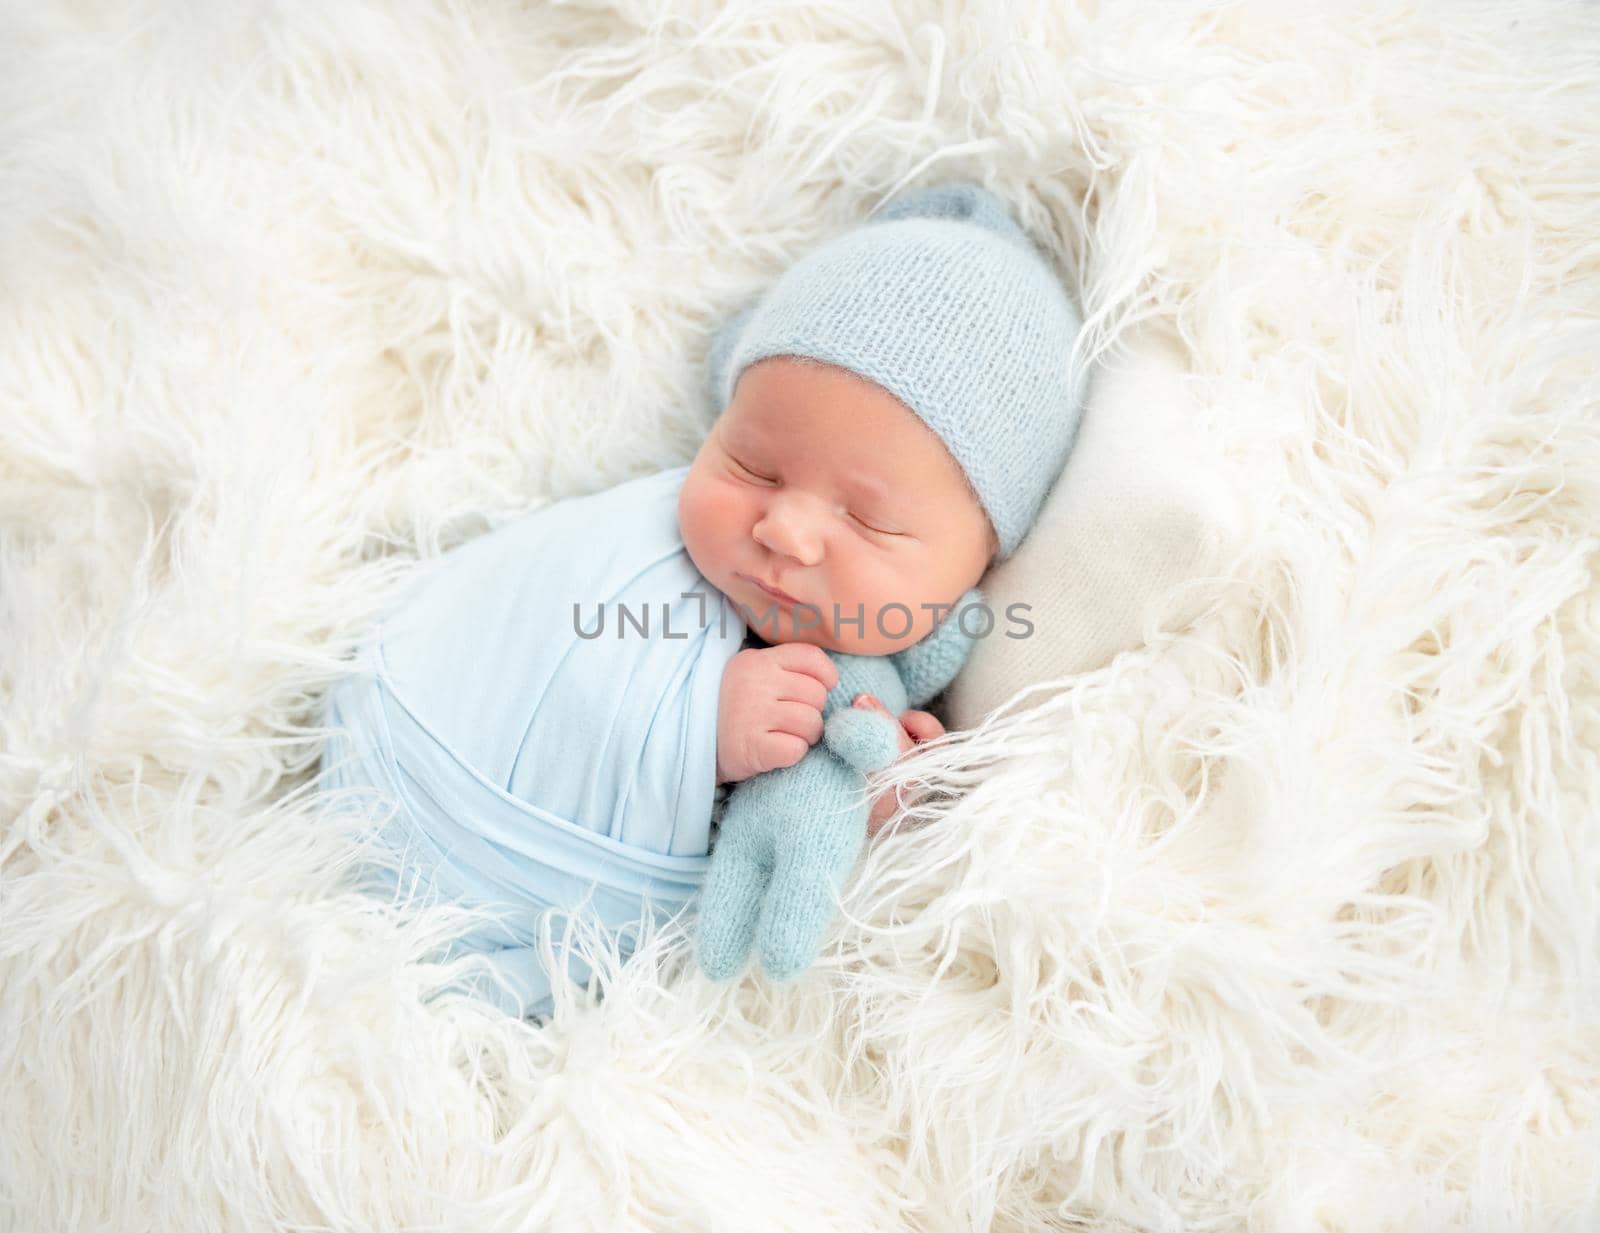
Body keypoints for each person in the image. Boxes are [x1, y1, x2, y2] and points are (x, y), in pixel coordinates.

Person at [317, 181, 1089, 1019]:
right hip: (422, 752)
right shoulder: (643, 556)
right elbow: (554, 629)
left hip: (508, 918)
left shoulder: (894, 679)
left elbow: (815, 860)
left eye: (867, 518)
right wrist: (696, 725)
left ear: (980, 565)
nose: (785, 528)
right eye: (752, 464)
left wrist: (879, 801)